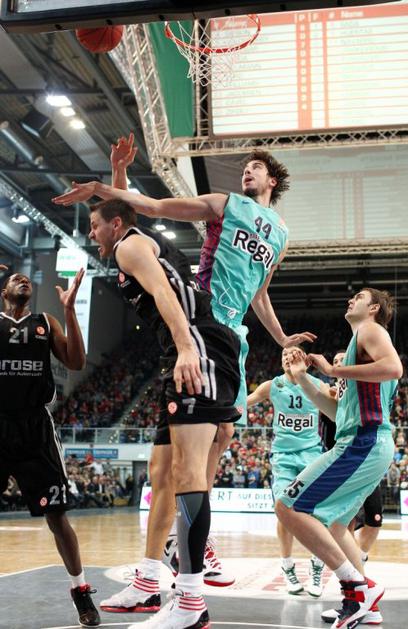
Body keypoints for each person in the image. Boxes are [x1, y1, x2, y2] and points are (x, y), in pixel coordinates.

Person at [53, 146, 316, 614]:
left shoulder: (281, 234)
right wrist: (109, 183)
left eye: (255, 167)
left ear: (272, 180)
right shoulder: (225, 205)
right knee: (179, 462)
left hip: (226, 335)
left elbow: (259, 291)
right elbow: (149, 208)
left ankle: (181, 552)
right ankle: (177, 555)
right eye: (245, 168)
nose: (247, 172)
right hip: (201, 319)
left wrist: (279, 337)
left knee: (211, 444)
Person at [85, 197, 246, 628]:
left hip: (196, 346)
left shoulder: (129, 246)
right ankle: (148, 580)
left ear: (114, 225)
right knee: (161, 472)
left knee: (189, 473)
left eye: (94, 225)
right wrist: (116, 178)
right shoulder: (137, 240)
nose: (90, 233)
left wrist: (187, 347)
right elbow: (123, 209)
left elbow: (161, 291)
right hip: (180, 349)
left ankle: (190, 601)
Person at [275, 288, 402, 629]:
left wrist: (332, 371)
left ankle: (358, 590)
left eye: (359, 297)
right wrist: (303, 377)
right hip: (364, 440)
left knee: (287, 506)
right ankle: (367, 606)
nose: (351, 300)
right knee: (336, 526)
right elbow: (336, 413)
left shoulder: (370, 330)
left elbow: (394, 368)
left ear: (373, 308)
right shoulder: (357, 351)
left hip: (363, 442)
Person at [0, 266, 100, 627]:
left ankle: (80, 591)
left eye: (26, 279)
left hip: (35, 428)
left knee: (57, 515)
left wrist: (70, 310)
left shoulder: (46, 322)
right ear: (3, 292)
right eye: (15, 278)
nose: (23, 279)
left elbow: (76, 361)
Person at [247, 346, 326, 597]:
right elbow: (243, 403)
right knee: (283, 510)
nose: (287, 358)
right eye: (283, 355)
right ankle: (287, 566)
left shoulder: (316, 384)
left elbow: (341, 403)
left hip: (312, 454)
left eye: (293, 354)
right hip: (284, 456)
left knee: (317, 513)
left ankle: (317, 565)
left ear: (304, 360)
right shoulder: (272, 385)